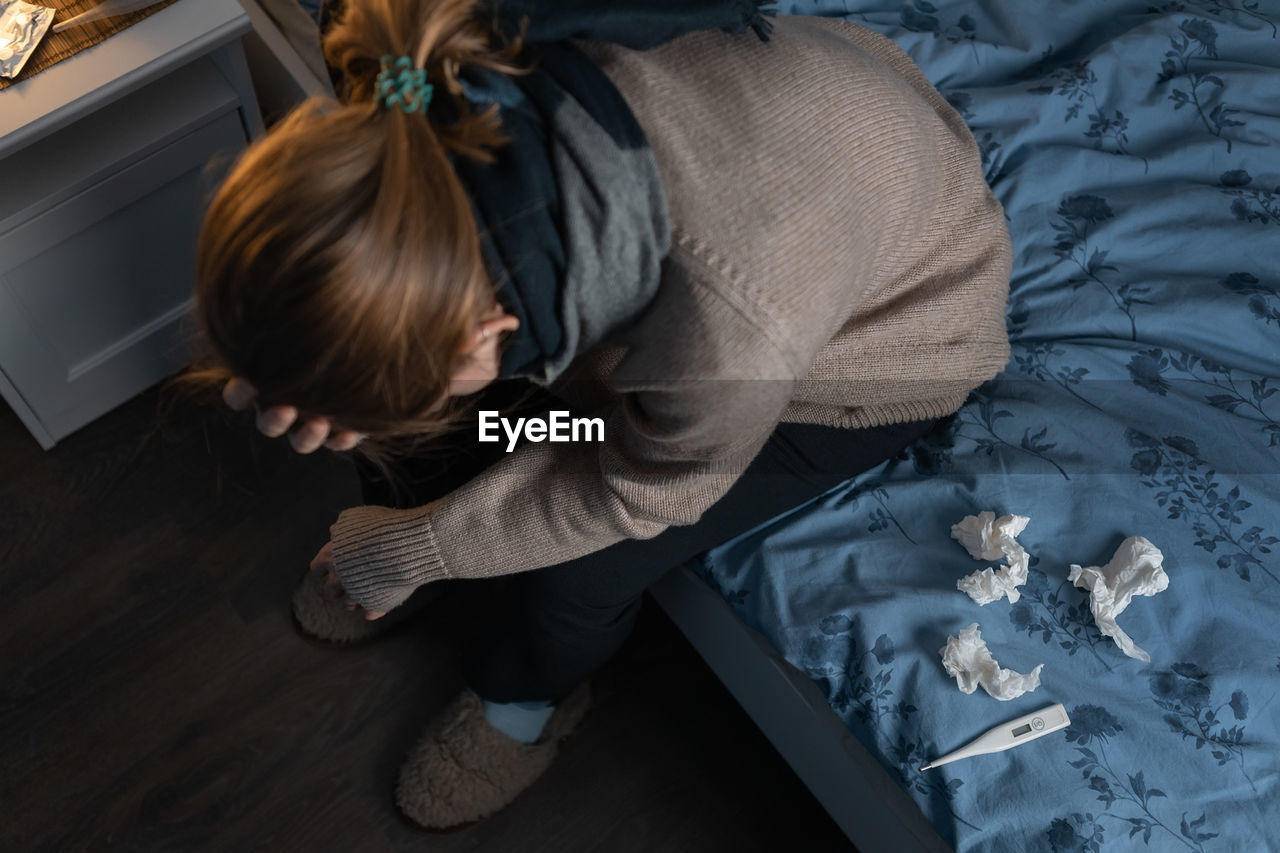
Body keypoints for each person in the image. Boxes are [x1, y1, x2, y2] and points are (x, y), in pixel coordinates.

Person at [187, 0, 1012, 831]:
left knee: (580, 566)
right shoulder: (416, 98)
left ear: (489, 329)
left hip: (881, 345)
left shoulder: (731, 326)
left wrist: (415, 548)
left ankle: (522, 700)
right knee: (475, 422)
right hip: (763, 151)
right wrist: (318, 359)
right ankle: (421, 498)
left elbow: (636, 488)